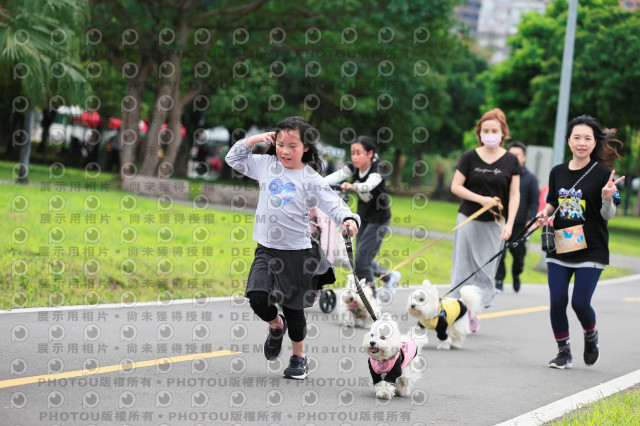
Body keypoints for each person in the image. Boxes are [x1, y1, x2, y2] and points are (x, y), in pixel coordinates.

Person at [225, 116, 360, 380]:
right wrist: (253, 140)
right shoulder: (265, 165)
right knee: (257, 297)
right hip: (266, 248)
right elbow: (233, 159)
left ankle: (299, 358)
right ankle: (276, 326)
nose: (284, 151)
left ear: (306, 147)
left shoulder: (311, 179)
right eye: (280, 144)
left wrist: (349, 219)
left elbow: (334, 203)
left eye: (292, 146)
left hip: (298, 253)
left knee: (294, 308)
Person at [535, 115, 623, 369]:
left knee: (580, 303)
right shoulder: (558, 171)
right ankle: (563, 352)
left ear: (594, 143)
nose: (581, 143)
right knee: (557, 300)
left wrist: (607, 198)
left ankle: (590, 335)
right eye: (577, 137)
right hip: (561, 244)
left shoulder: (604, 175)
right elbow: (553, 202)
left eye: (587, 138)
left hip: (591, 248)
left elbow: (608, 215)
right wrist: (544, 213)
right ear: (568, 141)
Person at [450, 108, 521, 331]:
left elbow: (514, 194)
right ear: (479, 133)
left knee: (485, 270)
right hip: (468, 219)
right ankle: (458, 311)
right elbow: (456, 186)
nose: (490, 134)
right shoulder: (469, 157)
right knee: (462, 266)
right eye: (486, 130)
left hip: (494, 224)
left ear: (503, 133)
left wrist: (510, 224)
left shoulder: (511, 161)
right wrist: (481, 199)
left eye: (494, 131)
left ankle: (474, 309)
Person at [324, 135, 401, 303]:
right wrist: (312, 184)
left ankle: (371, 301)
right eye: (352, 153)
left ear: (370, 153)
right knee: (361, 259)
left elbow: (369, 185)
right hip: (363, 218)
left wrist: (353, 186)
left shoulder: (378, 168)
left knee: (360, 262)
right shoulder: (353, 168)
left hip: (379, 220)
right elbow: (331, 178)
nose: (355, 157)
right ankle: (390, 277)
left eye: (358, 153)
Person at [495, 141, 540, 293]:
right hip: (501, 222)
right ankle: (499, 281)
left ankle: (516, 274)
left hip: (520, 225)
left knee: (518, 256)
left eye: (517, 155)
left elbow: (534, 202)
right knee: (499, 253)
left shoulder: (530, 178)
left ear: (524, 157)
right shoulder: (501, 175)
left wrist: (531, 219)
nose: (514, 158)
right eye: (511, 155)